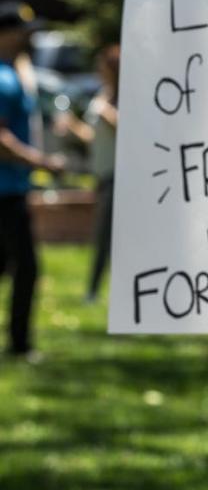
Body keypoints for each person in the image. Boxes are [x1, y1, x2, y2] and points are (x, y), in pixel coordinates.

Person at [0, 1, 65, 359]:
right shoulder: (2, 78)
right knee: (26, 267)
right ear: (7, 34)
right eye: (25, 31)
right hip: (5, 191)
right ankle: (19, 344)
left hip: (11, 188)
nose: (31, 37)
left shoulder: (13, 73)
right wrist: (41, 162)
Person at [56, 44, 120, 301]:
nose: (97, 71)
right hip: (103, 174)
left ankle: (97, 292)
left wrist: (107, 114)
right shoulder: (103, 95)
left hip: (119, 177)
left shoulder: (122, 98)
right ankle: (94, 290)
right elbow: (95, 138)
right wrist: (73, 127)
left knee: (108, 236)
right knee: (102, 236)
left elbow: (127, 131)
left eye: (101, 66)